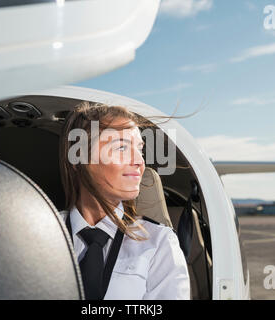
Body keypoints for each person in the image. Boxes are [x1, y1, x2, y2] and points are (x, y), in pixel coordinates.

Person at [58, 101, 190, 300]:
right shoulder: (39, 232)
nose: (139, 162)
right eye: (121, 147)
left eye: (140, 150)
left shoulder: (159, 243)